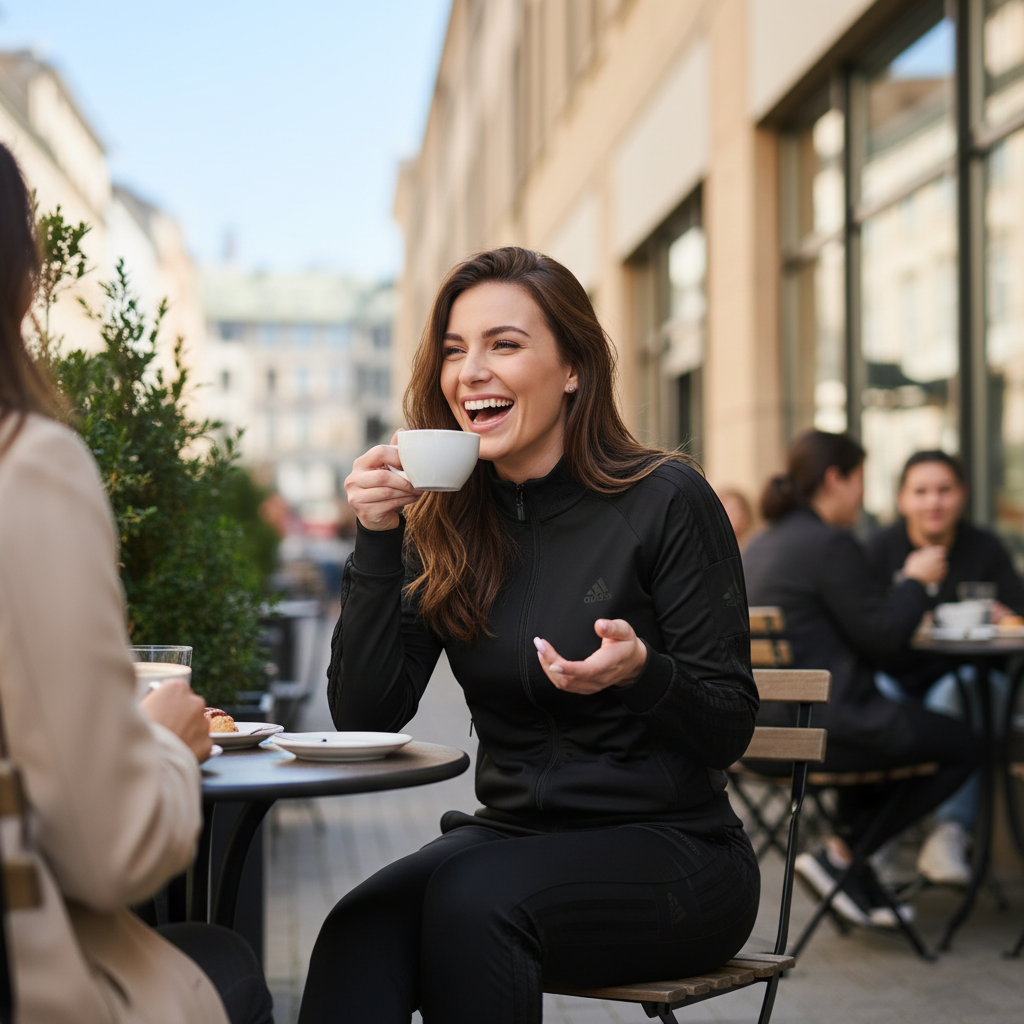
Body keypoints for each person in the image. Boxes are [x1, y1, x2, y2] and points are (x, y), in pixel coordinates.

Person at [298, 248, 760, 1024]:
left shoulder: (667, 499)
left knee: (473, 904)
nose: (470, 371)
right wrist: (376, 538)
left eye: (503, 344)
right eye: (454, 350)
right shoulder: (444, 523)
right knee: (360, 927)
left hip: (679, 853)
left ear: (573, 367)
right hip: (513, 840)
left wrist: (642, 673)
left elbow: (730, 726)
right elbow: (366, 717)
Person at [0, 142, 272, 1024]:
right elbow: (108, 849)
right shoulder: (26, 469)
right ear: (24, 282)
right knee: (226, 963)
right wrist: (163, 745)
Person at [742, 430, 981, 928]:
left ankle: (853, 871)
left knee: (899, 731)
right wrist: (915, 580)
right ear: (836, 479)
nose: (862, 497)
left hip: (756, 735)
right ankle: (845, 853)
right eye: (860, 482)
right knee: (964, 745)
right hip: (820, 731)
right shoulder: (829, 544)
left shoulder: (763, 542)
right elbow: (885, 638)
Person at [866, 450, 1024, 885]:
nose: (933, 501)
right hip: (899, 679)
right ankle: (878, 834)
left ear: (963, 495)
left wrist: (1004, 615)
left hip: (973, 682)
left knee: (955, 691)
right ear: (902, 499)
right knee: (876, 690)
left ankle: (949, 832)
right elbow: (867, 624)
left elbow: (1019, 611)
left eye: (944, 490)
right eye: (921, 491)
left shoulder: (984, 547)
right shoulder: (880, 549)